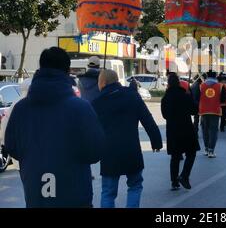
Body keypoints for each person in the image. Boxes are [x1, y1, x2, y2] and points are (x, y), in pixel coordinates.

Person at [4, 47, 105, 208]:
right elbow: (95, 152)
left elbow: (11, 146)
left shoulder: (21, 109)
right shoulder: (81, 108)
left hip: (36, 193)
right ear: (67, 70)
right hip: (75, 194)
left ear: (41, 67)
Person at [92, 69, 162, 208]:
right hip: (131, 149)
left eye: (99, 82)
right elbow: (147, 119)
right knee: (135, 185)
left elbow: (91, 129)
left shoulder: (97, 102)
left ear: (103, 82)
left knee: (108, 192)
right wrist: (156, 140)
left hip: (109, 153)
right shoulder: (132, 95)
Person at [161, 73, 200, 191]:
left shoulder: (165, 98)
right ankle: (184, 175)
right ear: (178, 82)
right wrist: (190, 96)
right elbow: (194, 111)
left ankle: (174, 182)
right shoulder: (185, 95)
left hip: (173, 130)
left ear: (168, 84)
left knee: (175, 156)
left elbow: (165, 115)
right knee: (191, 153)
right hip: (186, 128)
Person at [0, 78, 32, 170]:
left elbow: (5, 126)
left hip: (21, 154)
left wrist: (5, 144)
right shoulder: (44, 101)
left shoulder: (16, 103)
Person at [199, 71, 226, 158]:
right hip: (215, 110)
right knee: (213, 131)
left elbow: (196, 97)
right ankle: (211, 151)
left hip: (203, 111)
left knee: (205, 130)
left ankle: (206, 149)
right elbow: (224, 99)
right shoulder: (220, 86)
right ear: (216, 77)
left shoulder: (201, 86)